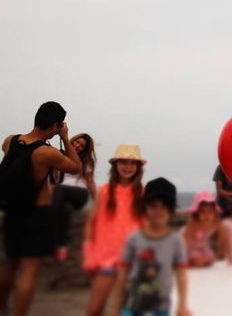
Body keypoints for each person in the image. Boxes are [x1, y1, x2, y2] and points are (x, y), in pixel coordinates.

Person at [0, 101, 82, 316]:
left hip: (12, 211)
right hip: (37, 215)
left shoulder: (10, 140)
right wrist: (65, 138)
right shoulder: (46, 153)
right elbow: (75, 167)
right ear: (55, 126)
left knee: (10, 265)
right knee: (29, 271)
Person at [110, 177, 191, 316]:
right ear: (145, 208)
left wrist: (182, 305)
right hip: (132, 306)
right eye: (153, 205)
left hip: (161, 307)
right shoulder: (133, 239)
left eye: (163, 206)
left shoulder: (176, 241)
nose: (158, 210)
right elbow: (122, 275)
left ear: (171, 210)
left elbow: (181, 275)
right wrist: (115, 308)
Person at [84, 144, 145, 316]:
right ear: (115, 165)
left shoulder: (142, 193)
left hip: (133, 260)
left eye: (132, 163)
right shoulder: (104, 192)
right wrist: (89, 255)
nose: (127, 167)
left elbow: (148, 228)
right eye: (123, 162)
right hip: (106, 259)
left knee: (123, 309)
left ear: (138, 167)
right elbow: (91, 223)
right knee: (94, 309)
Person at [52, 133, 98, 261]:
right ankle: (61, 246)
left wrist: (99, 204)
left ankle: (53, 235)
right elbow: (54, 179)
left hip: (79, 192)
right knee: (65, 208)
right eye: (77, 142)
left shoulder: (86, 161)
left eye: (81, 146)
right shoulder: (60, 155)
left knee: (59, 190)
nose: (77, 146)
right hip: (60, 194)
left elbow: (90, 182)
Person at [182, 191, 232, 267]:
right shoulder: (194, 223)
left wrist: (231, 257)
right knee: (197, 260)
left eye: (210, 211)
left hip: (202, 246)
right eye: (202, 211)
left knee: (210, 260)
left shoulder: (216, 222)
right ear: (197, 213)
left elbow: (225, 238)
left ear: (214, 212)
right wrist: (182, 260)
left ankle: (196, 261)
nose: (206, 215)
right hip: (186, 245)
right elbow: (185, 241)